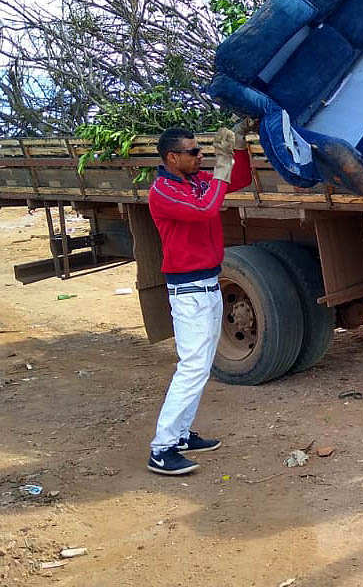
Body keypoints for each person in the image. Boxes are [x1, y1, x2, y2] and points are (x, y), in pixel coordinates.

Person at [146, 120, 255, 475]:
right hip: (189, 290)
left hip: (207, 283)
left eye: (200, 150)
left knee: (200, 365)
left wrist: (238, 148)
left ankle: (179, 435)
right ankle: (161, 448)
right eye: (194, 152)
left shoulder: (195, 182)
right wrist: (221, 169)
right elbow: (205, 209)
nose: (201, 155)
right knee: (192, 367)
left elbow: (238, 180)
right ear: (172, 157)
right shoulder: (163, 191)